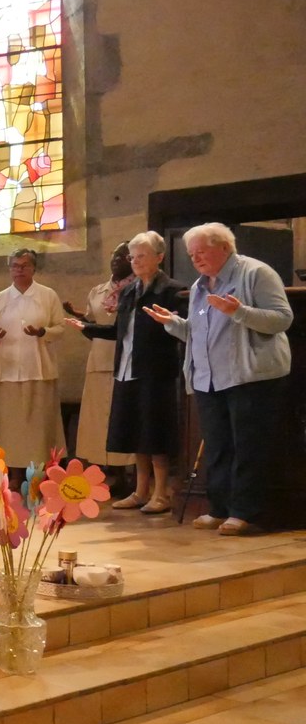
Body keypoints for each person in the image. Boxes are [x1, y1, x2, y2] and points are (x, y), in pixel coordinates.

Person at [147, 222, 293, 536]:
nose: (195, 258)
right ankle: (219, 509)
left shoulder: (256, 273)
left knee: (247, 447)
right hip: (209, 380)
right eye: (192, 254)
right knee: (218, 447)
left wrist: (240, 312)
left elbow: (283, 319)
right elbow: (199, 332)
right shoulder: (200, 286)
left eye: (201, 251)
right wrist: (173, 323)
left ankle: (244, 512)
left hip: (250, 377)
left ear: (225, 247)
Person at [66, 232, 185, 514]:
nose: (135, 262)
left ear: (159, 257)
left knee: (155, 433)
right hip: (127, 369)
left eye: (141, 256)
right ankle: (141, 491)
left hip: (155, 372)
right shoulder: (130, 291)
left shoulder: (172, 290)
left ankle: (161, 493)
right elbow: (119, 331)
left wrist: (169, 322)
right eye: (133, 257)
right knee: (136, 433)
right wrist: (87, 328)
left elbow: (181, 329)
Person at [0, 248, 67, 469]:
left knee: (38, 428)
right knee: (9, 427)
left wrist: (42, 332)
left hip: (39, 370)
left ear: (34, 268)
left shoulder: (48, 296)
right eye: (15, 266)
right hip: (7, 372)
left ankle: (39, 473)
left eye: (24, 265)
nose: (19, 270)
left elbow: (60, 329)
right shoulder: (0, 299)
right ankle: (12, 472)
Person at [66, 242, 136, 470]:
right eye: (115, 255)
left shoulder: (137, 288)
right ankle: (104, 470)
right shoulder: (97, 291)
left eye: (123, 256)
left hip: (126, 361)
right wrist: (80, 321)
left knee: (123, 417)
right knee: (98, 420)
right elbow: (93, 325)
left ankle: (129, 472)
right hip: (99, 360)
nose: (116, 260)